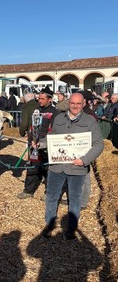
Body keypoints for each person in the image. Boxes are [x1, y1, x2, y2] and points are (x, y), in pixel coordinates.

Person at [39, 92, 104, 240]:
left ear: (83, 104)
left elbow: (99, 144)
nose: (75, 106)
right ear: (68, 103)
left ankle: (71, 229)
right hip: (57, 166)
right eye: (72, 103)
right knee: (51, 196)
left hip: (77, 167)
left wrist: (85, 159)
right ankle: (49, 225)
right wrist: (41, 143)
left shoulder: (90, 121)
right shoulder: (59, 118)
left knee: (74, 198)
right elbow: (52, 137)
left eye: (78, 104)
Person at [17, 86, 60, 200]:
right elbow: (31, 126)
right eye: (39, 98)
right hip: (33, 144)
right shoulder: (36, 110)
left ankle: (49, 192)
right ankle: (28, 191)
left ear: (49, 99)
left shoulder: (55, 112)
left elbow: (55, 130)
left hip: (47, 145)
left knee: (48, 169)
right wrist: (31, 139)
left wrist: (44, 142)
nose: (39, 100)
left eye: (42, 99)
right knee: (32, 167)